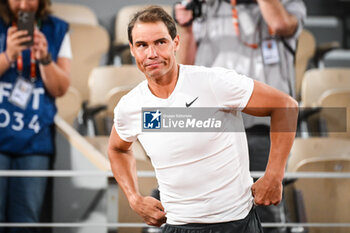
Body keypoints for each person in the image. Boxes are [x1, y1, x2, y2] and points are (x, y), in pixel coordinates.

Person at [108, 6, 298, 233]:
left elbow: (285, 106)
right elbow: (117, 149)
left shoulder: (213, 82)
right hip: (178, 225)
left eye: (160, 42)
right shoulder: (130, 106)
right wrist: (134, 198)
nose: (152, 54)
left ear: (175, 43)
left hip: (237, 224)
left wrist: (274, 176)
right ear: (131, 49)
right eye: (142, 45)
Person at [174, 1, 306, 232]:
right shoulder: (208, 6)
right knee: (209, 213)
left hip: (263, 128)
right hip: (213, 128)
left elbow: (281, 24)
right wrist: (185, 27)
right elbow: (183, 70)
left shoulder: (285, 4)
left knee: (266, 211)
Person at [0, 0, 71, 232]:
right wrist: (9, 54)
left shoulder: (57, 28)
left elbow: (60, 89)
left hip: (35, 141)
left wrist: (45, 58)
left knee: (25, 222)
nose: (23, 4)